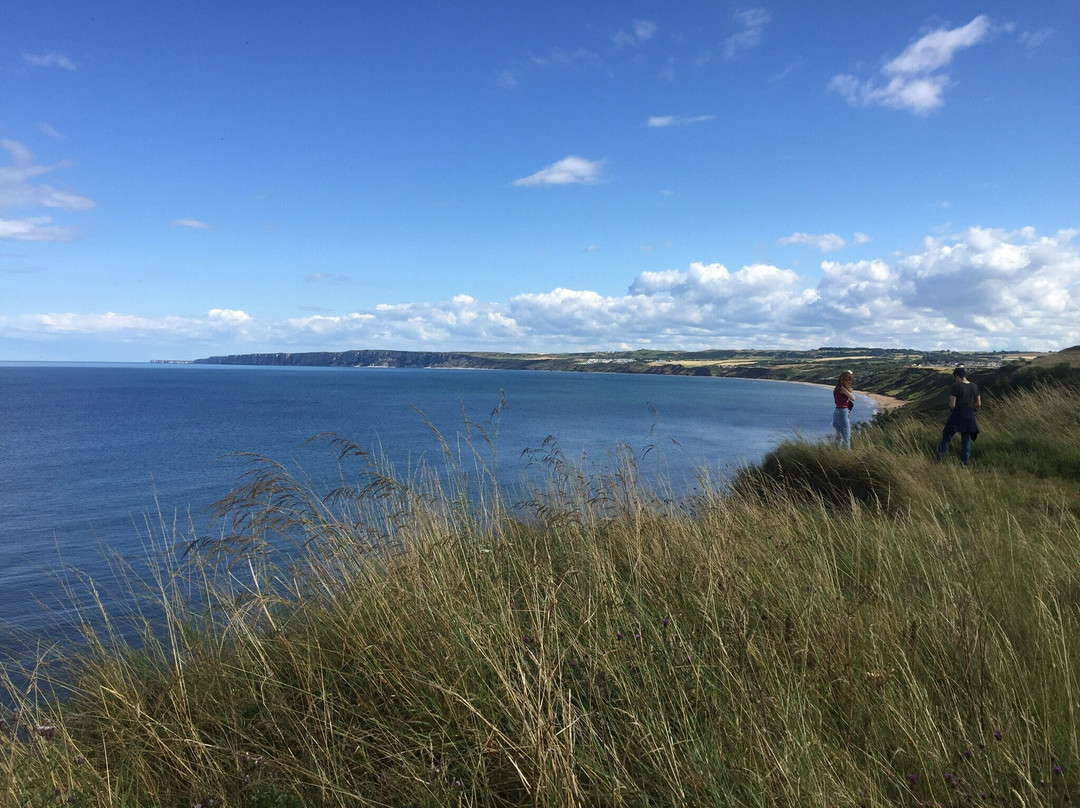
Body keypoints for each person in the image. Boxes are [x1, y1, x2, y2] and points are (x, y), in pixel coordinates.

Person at [934, 366, 981, 466]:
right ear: (965, 375)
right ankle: (964, 463)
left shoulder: (956, 386)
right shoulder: (974, 386)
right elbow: (978, 404)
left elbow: (952, 404)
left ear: (957, 376)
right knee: (966, 439)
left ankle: (938, 459)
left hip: (958, 414)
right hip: (969, 414)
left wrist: (953, 409)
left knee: (947, 436)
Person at [832, 370, 856, 448]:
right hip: (843, 412)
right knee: (846, 436)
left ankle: (837, 452)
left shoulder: (836, 389)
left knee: (838, 435)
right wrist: (849, 391)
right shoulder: (843, 389)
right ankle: (847, 454)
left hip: (836, 411)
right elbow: (853, 398)